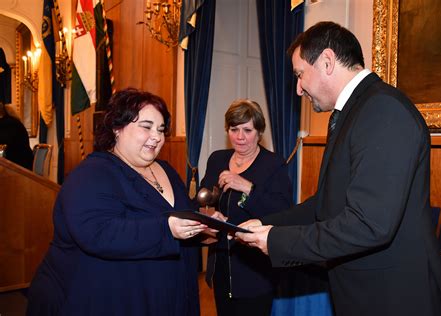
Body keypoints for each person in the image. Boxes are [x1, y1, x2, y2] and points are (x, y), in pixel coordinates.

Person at [236, 21, 441, 316]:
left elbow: (369, 224)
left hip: (394, 299)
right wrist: (265, 224)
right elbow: (327, 203)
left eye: (300, 75)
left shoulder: (383, 110)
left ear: (327, 61)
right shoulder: (352, 112)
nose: (299, 89)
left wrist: (277, 241)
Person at [26, 88, 206, 316]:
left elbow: (182, 216)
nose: (157, 136)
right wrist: (166, 228)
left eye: (161, 129)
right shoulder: (90, 175)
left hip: (165, 296)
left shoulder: (167, 170)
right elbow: (98, 233)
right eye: (146, 126)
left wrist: (204, 227)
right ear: (117, 128)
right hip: (99, 299)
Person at [199, 99, 293, 316]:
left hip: (255, 268)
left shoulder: (273, 164)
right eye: (234, 129)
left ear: (259, 132)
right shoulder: (217, 159)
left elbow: (283, 211)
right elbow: (203, 200)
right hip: (221, 261)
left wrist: (247, 187)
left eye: (247, 130)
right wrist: (211, 216)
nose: (240, 137)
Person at [0, 102, 33, 169]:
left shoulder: (9, 123)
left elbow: (4, 139)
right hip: (18, 161)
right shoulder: (10, 121)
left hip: (20, 164)